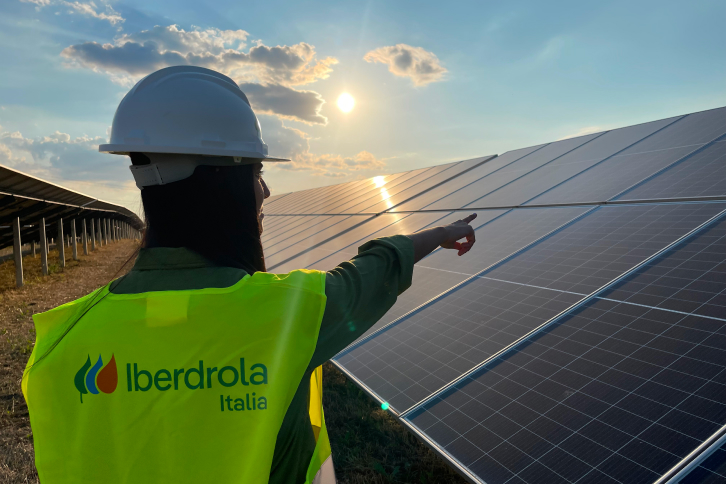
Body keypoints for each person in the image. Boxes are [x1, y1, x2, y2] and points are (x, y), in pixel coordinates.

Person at [21, 66, 477, 484]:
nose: (266, 190)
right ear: (223, 183)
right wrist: (439, 233)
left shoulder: (60, 344)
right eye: (257, 172)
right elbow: (371, 272)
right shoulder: (286, 314)